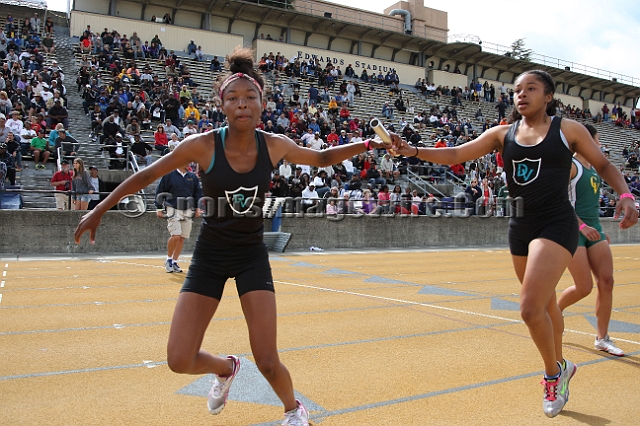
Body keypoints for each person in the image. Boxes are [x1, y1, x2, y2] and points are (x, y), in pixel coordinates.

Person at [74, 46, 389, 426]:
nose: (242, 104)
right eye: (233, 98)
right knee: (179, 359)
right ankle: (226, 368)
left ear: (262, 104)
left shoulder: (274, 145)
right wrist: (98, 208)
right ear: (221, 105)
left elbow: (321, 158)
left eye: (250, 97)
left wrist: (370, 144)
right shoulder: (202, 146)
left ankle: (294, 410)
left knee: (268, 360)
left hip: (251, 256)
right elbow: (146, 176)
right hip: (209, 256)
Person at [392, 69, 638, 418]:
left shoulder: (568, 130)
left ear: (548, 96)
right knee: (547, 305)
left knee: (528, 308)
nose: (521, 95)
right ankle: (563, 366)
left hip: (557, 223)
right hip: (520, 226)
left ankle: (554, 375)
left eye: (531, 89)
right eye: (517, 90)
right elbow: (457, 155)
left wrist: (626, 195)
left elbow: (603, 164)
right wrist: (413, 150)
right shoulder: (502, 134)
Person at [558, 124, 624, 356]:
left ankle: (602, 338)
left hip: (594, 229)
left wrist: (597, 228)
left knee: (607, 281)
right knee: (584, 286)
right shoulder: (570, 166)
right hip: (573, 229)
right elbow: (557, 201)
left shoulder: (595, 169)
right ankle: (556, 310)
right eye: (596, 140)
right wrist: (582, 226)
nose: (599, 145)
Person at [155, 165, 202, 273]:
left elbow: (197, 193)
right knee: (175, 235)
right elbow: (160, 190)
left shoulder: (192, 176)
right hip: (173, 207)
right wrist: (158, 208)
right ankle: (169, 259)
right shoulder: (169, 175)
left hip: (187, 209)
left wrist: (198, 207)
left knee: (182, 237)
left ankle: (175, 261)